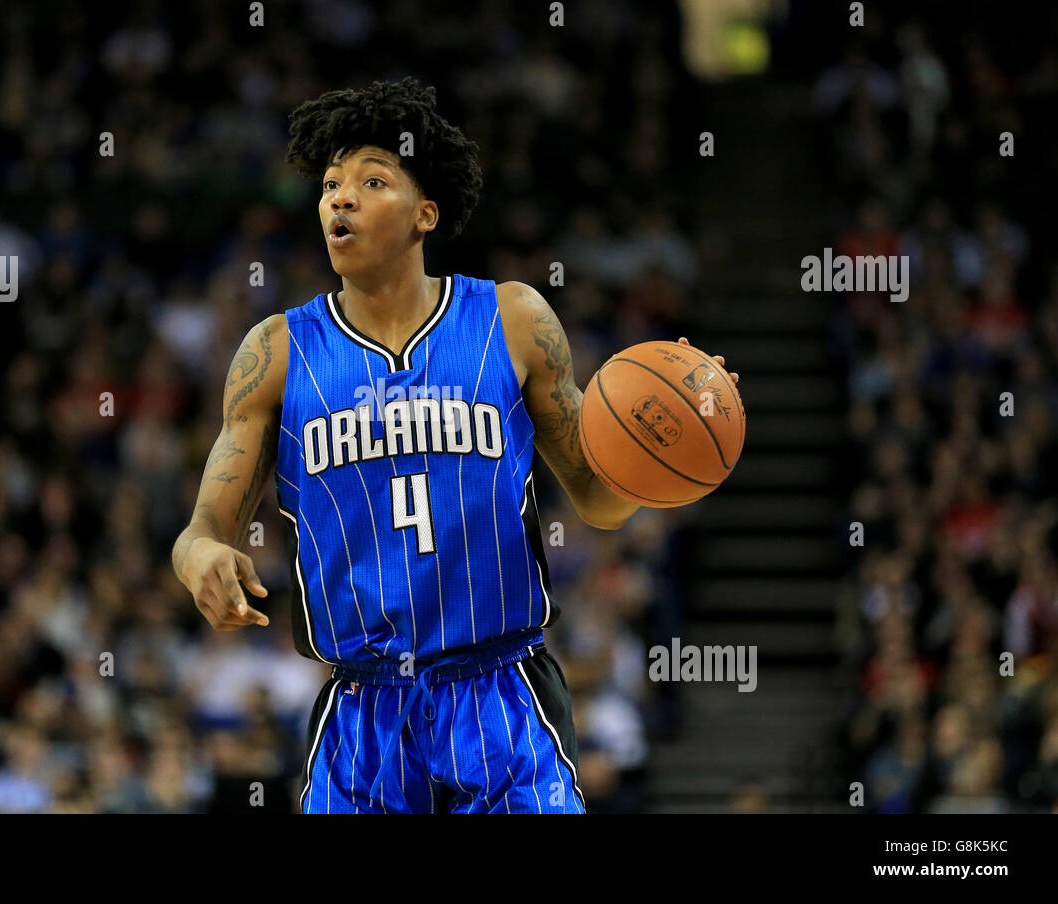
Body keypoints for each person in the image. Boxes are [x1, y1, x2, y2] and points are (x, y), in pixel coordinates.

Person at [171, 78, 737, 813]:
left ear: (424, 215)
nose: (340, 198)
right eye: (332, 184)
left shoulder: (513, 318)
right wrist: (203, 558)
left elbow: (598, 498)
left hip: (501, 692)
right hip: (362, 705)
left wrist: (677, 454)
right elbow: (200, 531)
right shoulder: (276, 350)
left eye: (372, 181)